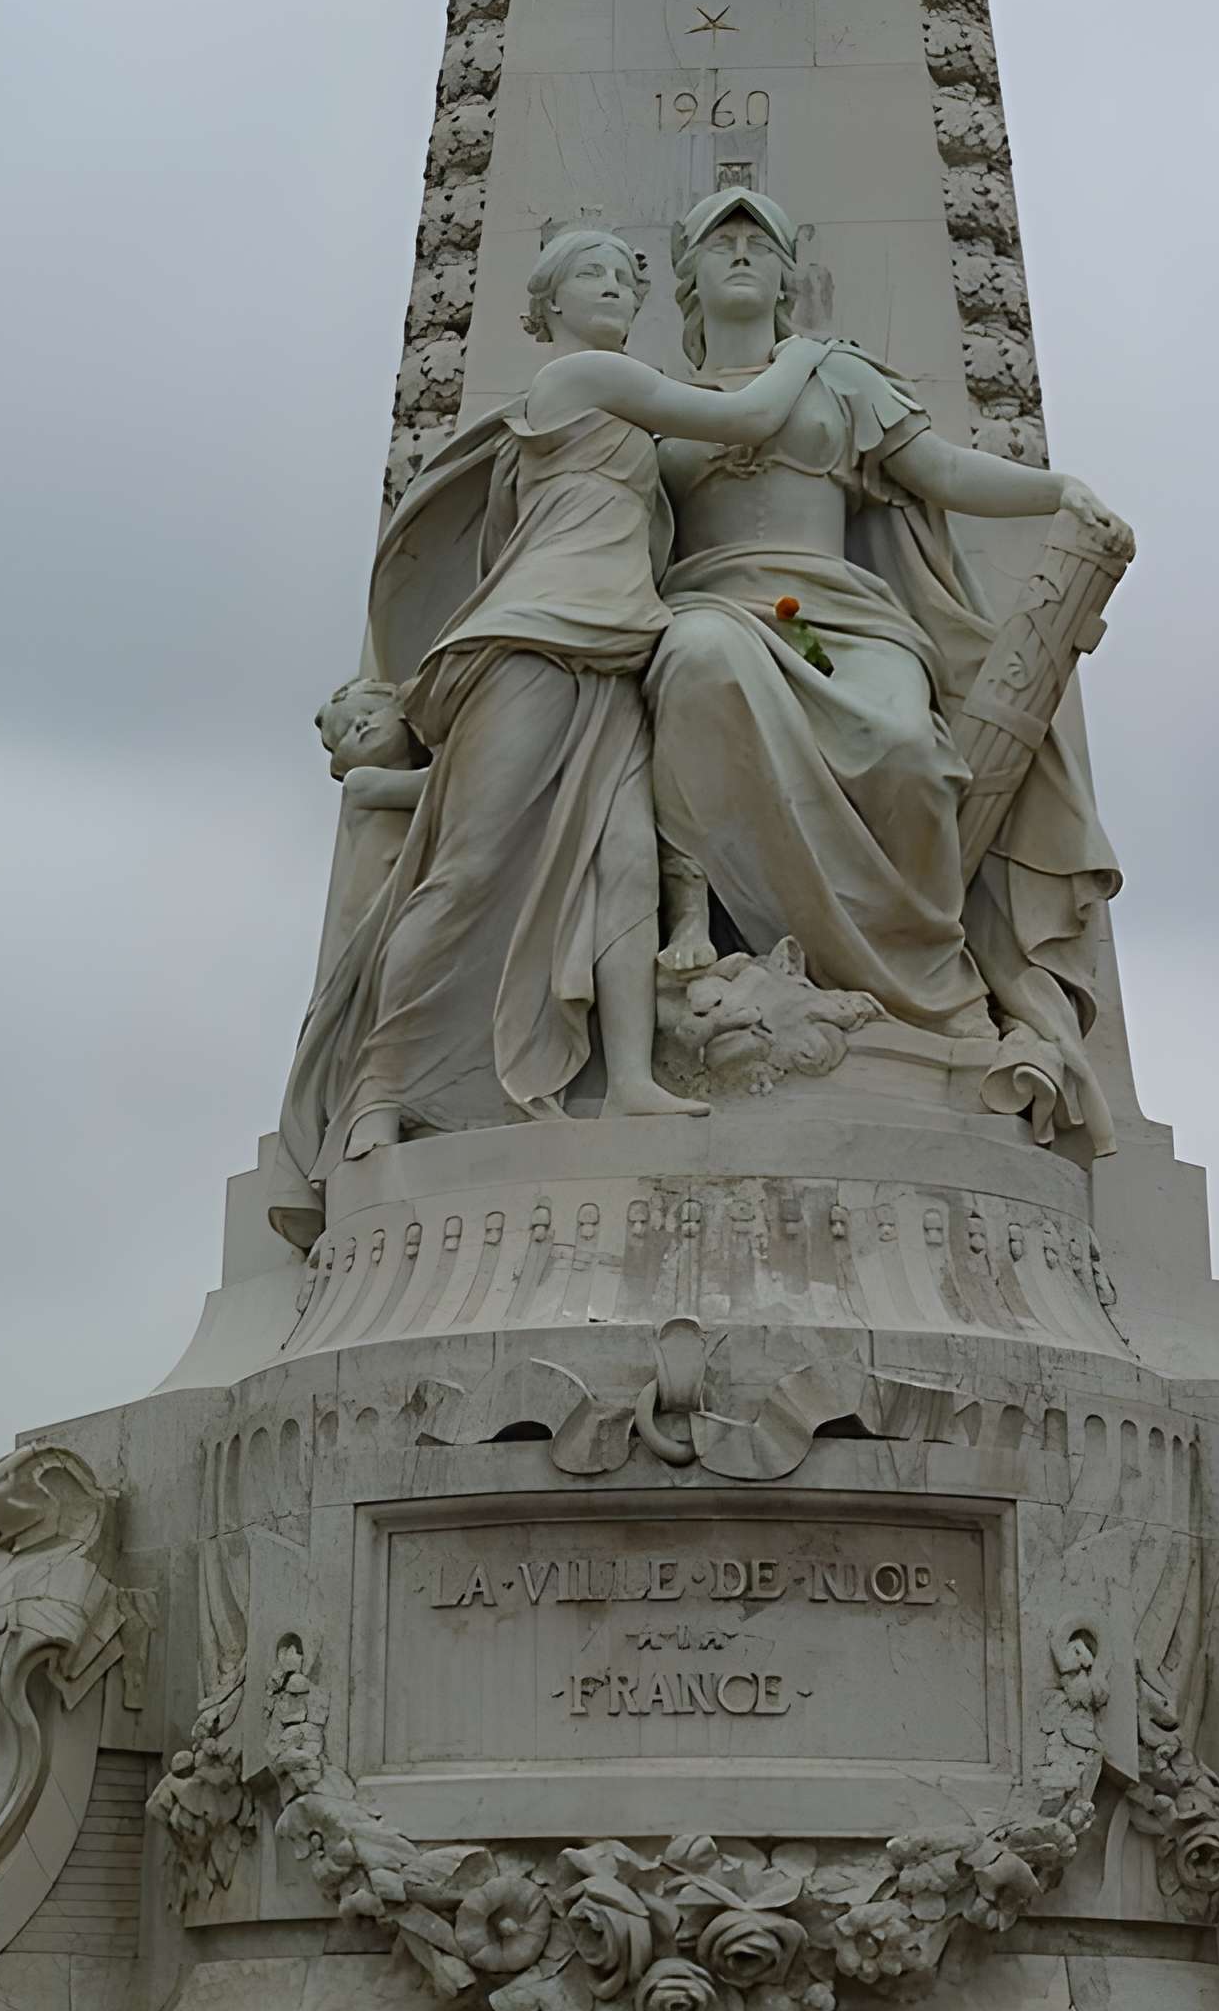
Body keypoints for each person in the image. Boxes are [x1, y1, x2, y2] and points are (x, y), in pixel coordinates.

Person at [269, 228, 829, 1248]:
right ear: (549, 309)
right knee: (469, 864)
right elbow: (744, 414)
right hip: (533, 640)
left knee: (625, 869)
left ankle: (627, 1083)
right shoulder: (583, 377)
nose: (616, 289)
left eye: (626, 278)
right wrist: (806, 350)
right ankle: (375, 1092)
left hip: (618, 652)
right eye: (592, 277)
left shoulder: (611, 406)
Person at [646, 189, 1133, 1152]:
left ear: (790, 276)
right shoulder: (654, 399)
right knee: (698, 661)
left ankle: (922, 984)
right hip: (714, 604)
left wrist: (1058, 489)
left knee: (908, 752)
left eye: (760, 242)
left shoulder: (840, 378)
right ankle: (715, 945)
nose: (740, 254)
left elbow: (943, 471)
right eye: (719, 242)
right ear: (688, 277)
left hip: (843, 619)